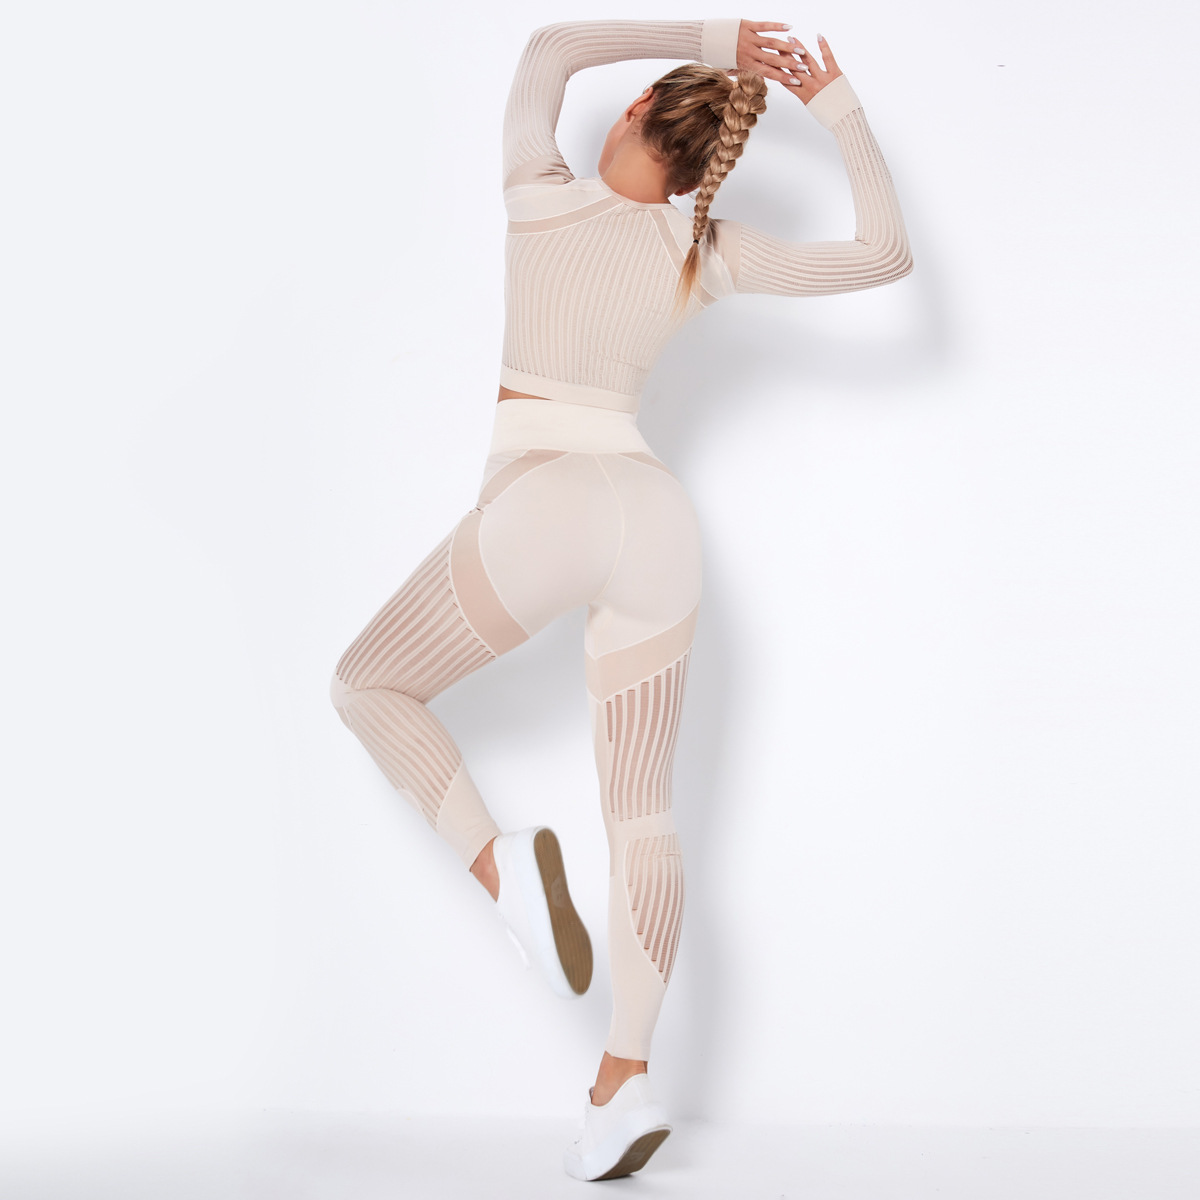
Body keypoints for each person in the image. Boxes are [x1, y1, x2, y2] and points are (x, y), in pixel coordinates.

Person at [330, 16, 912, 1182]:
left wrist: (718, 37)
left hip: (545, 496)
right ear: (703, 170)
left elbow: (549, 50)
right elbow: (884, 255)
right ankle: (624, 1080)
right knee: (645, 816)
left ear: (640, 109)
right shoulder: (705, 247)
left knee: (368, 684)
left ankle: (503, 870)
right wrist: (833, 100)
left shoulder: (537, 194)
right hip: (655, 518)